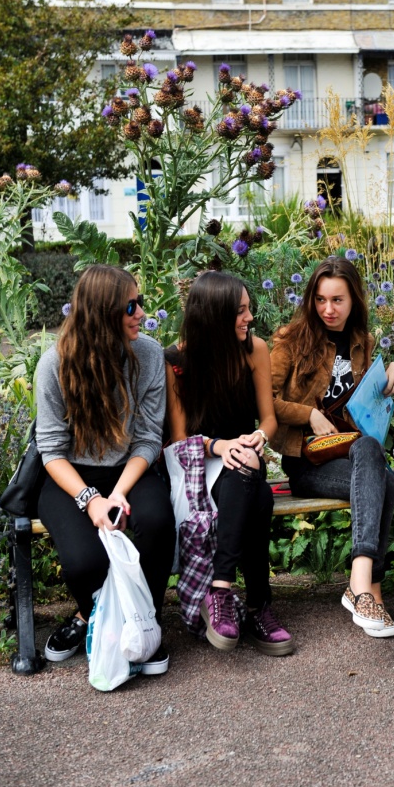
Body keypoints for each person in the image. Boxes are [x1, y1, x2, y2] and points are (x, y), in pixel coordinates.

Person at [36, 264, 175, 674]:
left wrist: (118, 493)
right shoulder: (55, 364)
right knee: (85, 563)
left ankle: (144, 624)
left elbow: (149, 437)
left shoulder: (148, 354)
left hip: (128, 470)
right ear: (101, 312)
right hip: (70, 477)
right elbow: (51, 450)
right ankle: (91, 617)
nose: (141, 313)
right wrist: (88, 499)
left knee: (156, 522)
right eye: (131, 305)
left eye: (141, 302)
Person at [270, 257, 394, 638]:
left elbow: (366, 395)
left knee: (371, 456)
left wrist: (391, 369)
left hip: (352, 454)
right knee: (385, 480)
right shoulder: (291, 341)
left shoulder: (363, 341)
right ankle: (367, 587)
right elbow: (265, 400)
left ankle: (362, 587)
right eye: (321, 300)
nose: (328, 309)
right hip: (307, 462)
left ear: (353, 299)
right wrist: (308, 415)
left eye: (338, 300)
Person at [165, 271, 293, 656]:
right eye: (240, 311)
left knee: (250, 473)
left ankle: (220, 590)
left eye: (248, 309)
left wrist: (259, 437)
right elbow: (178, 439)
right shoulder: (176, 361)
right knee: (259, 494)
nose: (249, 318)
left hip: (243, 460)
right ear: (215, 315)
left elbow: (268, 420)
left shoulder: (255, 350)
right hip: (196, 465)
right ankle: (258, 607)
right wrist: (220, 445)